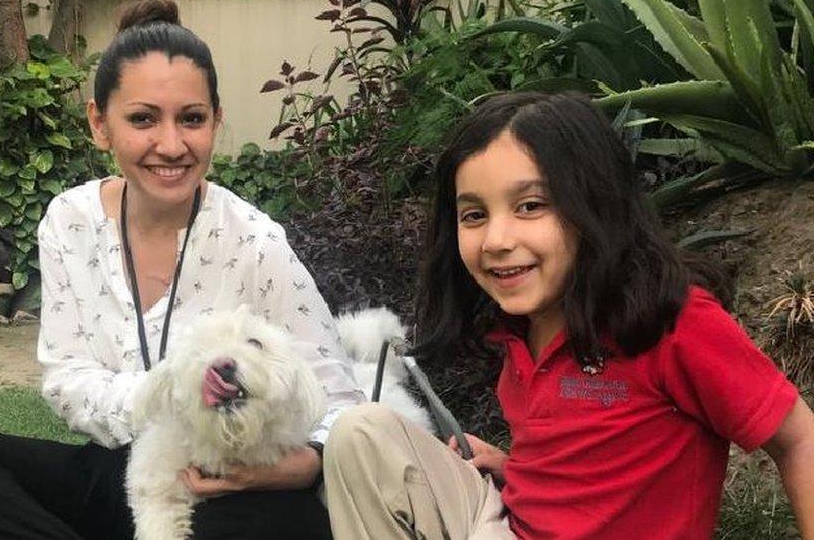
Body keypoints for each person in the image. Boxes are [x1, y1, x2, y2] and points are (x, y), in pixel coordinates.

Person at [0, 0, 362, 539]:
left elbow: (337, 402)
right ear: (100, 123)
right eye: (143, 118)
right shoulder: (69, 221)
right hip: (115, 468)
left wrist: (303, 462)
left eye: (192, 119)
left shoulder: (254, 240)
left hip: (221, 482)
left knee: (286, 525)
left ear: (216, 122)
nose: (171, 145)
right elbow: (68, 379)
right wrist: (173, 394)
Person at [323, 92, 814, 539]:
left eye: (530, 205)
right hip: (507, 527)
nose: (496, 239)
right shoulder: (521, 328)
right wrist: (513, 468)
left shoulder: (672, 323)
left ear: (593, 204)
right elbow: (589, 479)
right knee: (361, 434)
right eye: (474, 215)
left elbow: (799, 440)